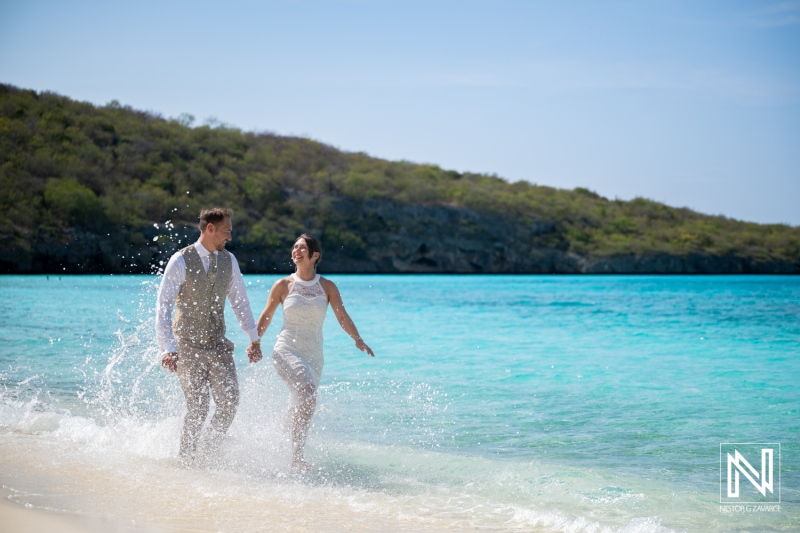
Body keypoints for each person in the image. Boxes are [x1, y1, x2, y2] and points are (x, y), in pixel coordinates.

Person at [257, 233, 374, 471]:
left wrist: (357, 339)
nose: (296, 251)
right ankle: (297, 456)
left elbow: (342, 316)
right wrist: (254, 341)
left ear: (315, 255)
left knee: (302, 401)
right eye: (294, 247)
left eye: (302, 248)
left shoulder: (327, 287)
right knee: (308, 393)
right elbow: (267, 315)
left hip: (313, 356)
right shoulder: (283, 285)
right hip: (286, 349)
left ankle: (280, 441)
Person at [155, 208, 263, 463]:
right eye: (226, 231)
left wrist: (253, 338)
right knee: (199, 407)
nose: (230, 237)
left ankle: (209, 452)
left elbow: (240, 302)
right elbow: (164, 305)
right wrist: (167, 348)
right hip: (187, 345)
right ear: (210, 229)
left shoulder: (229, 260)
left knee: (230, 402)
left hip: (218, 344)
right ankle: (187, 459)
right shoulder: (180, 260)